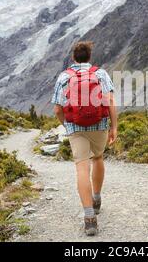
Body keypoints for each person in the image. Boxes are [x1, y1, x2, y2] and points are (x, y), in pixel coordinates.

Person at [52, 41, 118, 236]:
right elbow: (110, 101)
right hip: (99, 124)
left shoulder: (64, 77)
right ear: (90, 57)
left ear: (73, 57)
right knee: (97, 158)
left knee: (82, 166)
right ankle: (96, 198)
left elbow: (57, 109)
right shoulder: (100, 74)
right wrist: (114, 126)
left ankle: (89, 218)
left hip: (76, 126)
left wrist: (67, 125)